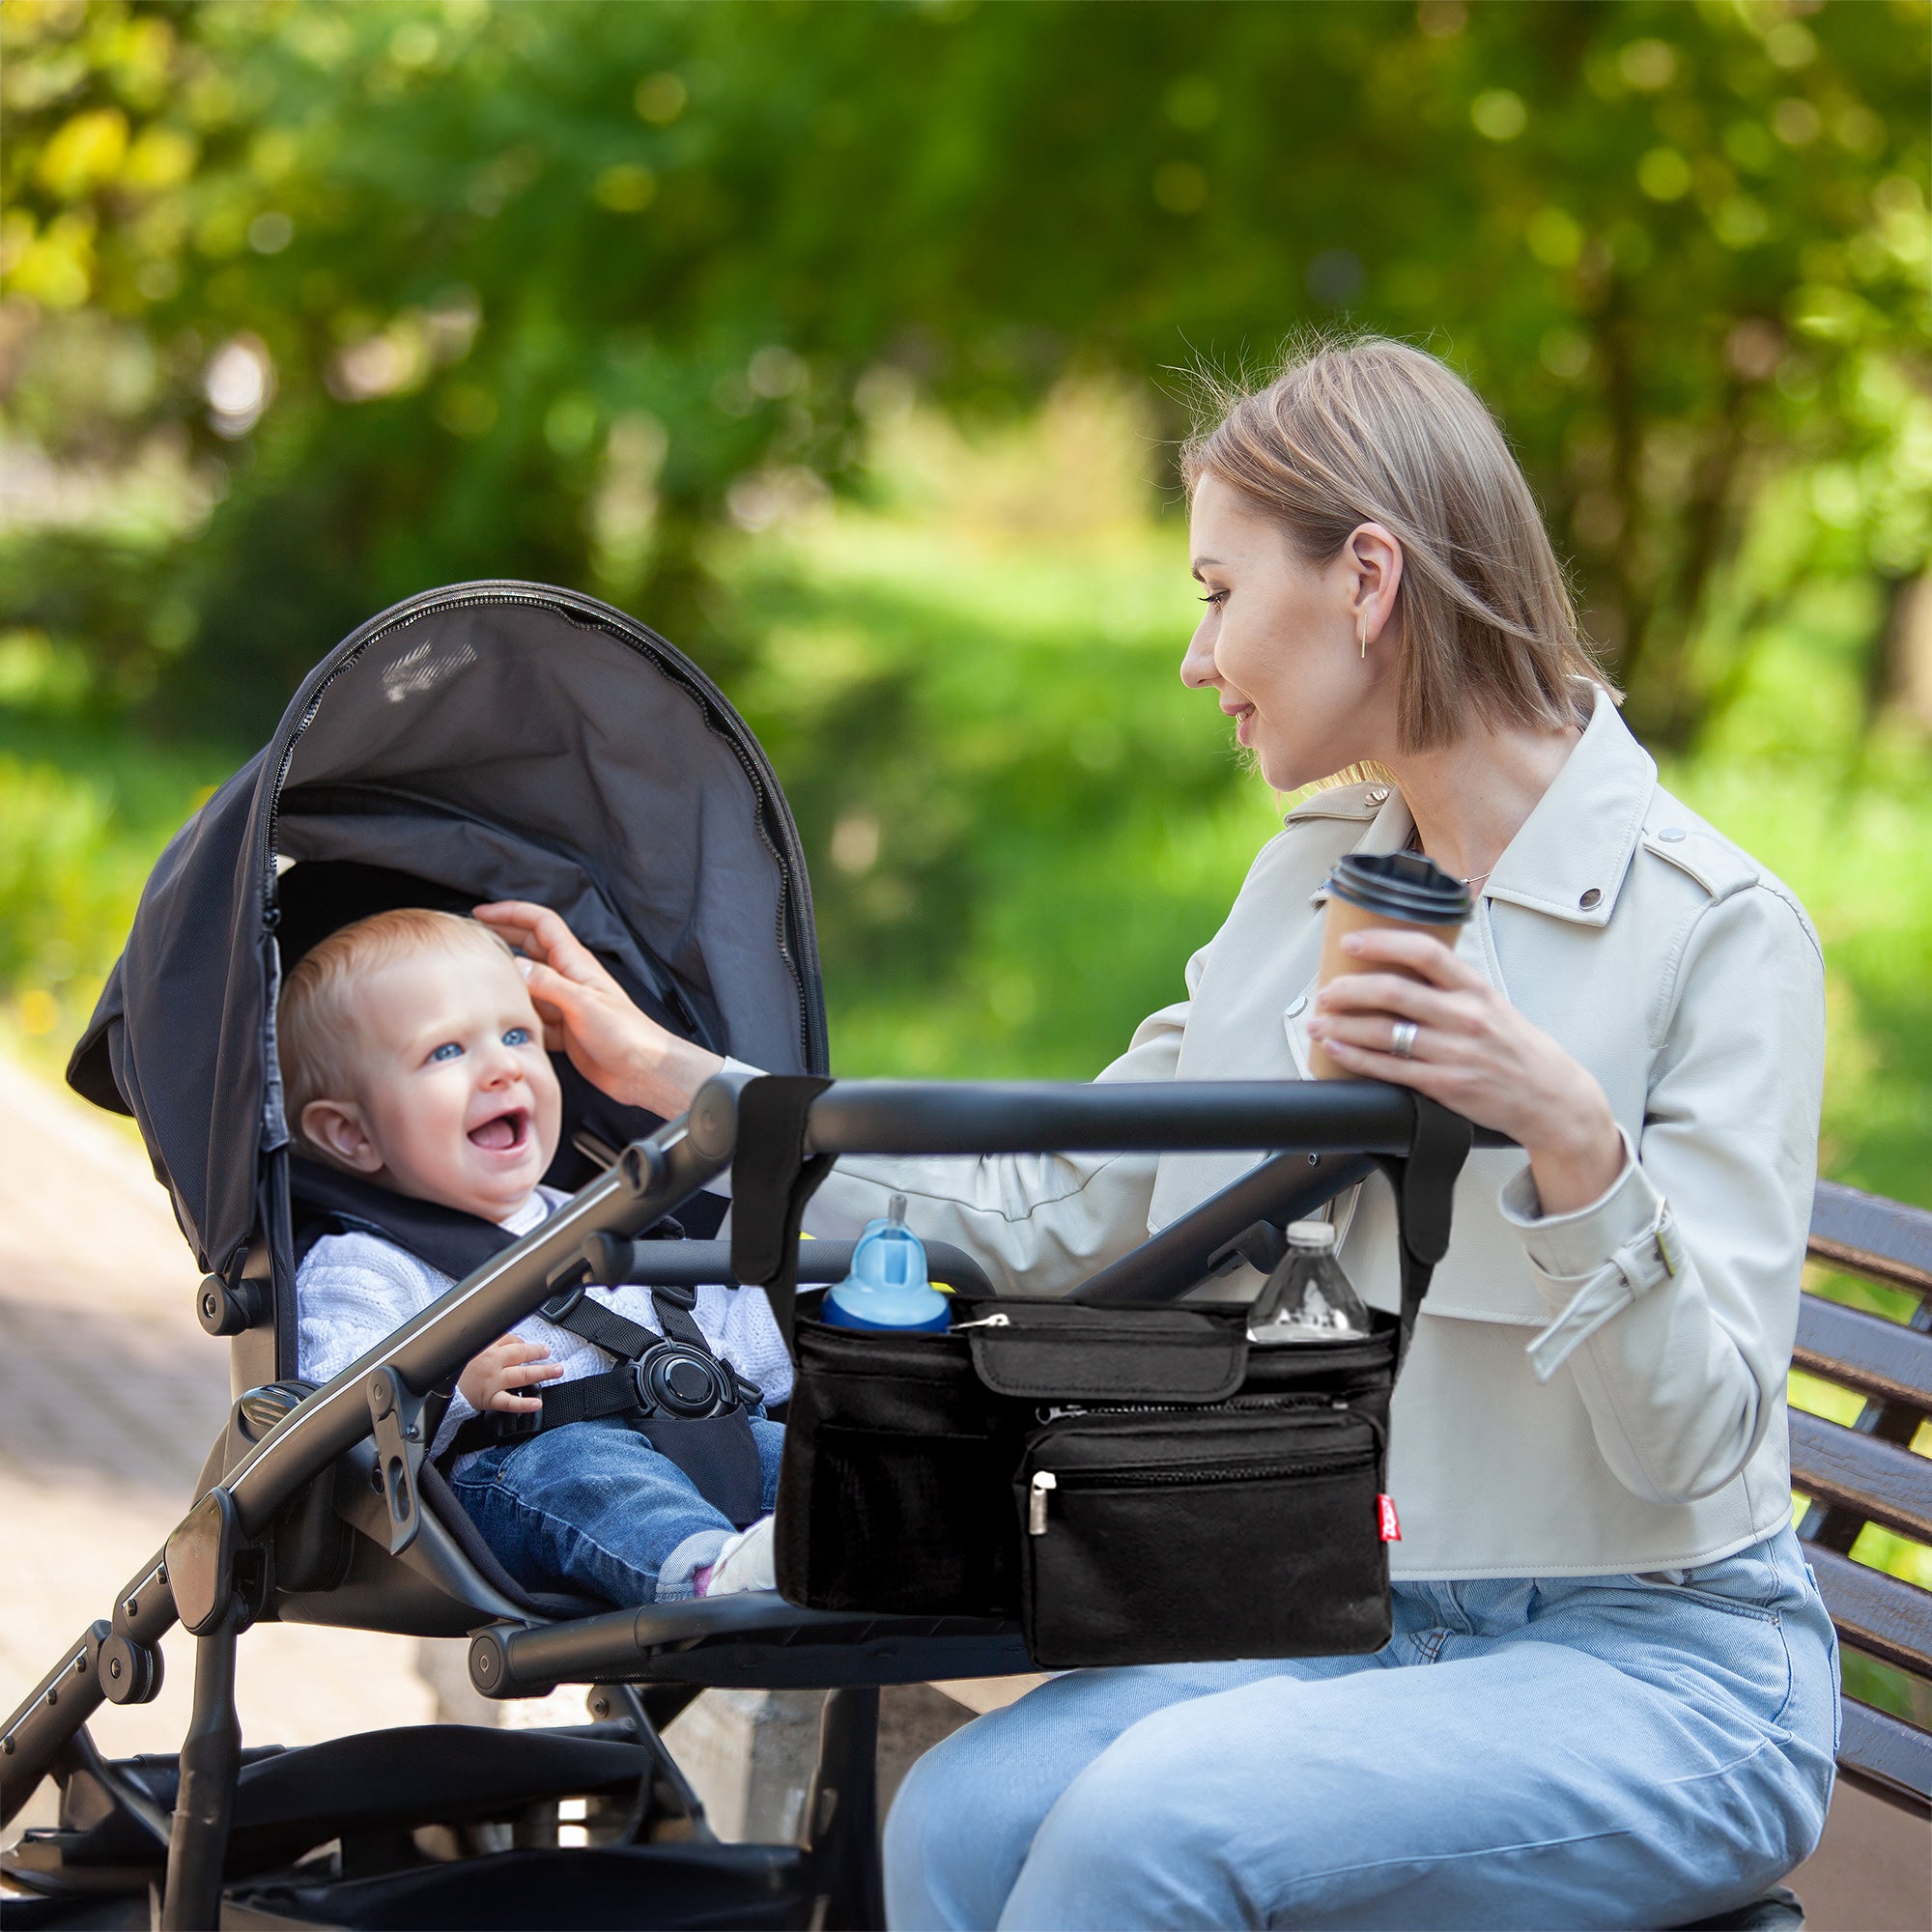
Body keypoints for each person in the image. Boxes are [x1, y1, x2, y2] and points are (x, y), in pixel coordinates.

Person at [486, 337, 1837, 1929]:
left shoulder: (1717, 934)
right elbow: (1070, 1205)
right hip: (1382, 1613)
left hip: (1664, 1664)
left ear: (1368, 579)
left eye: (1216, 590)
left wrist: (1568, 1142)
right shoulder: (1310, 887)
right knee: (965, 1816)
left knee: (1148, 1831)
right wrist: (688, 1091)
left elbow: (1705, 1449)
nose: (1198, 658)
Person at [286, 906, 788, 1605]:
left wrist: (805, 1338)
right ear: (351, 1134)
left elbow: (734, 1334)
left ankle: (888, 1552)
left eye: (517, 1035)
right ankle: (705, 1576)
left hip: (705, 1441)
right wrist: (450, 1385)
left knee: (800, 1461)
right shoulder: (367, 1262)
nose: (502, 1068)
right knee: (591, 1470)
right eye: (445, 1051)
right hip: (515, 1479)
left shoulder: (618, 1210)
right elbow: (337, 1400)